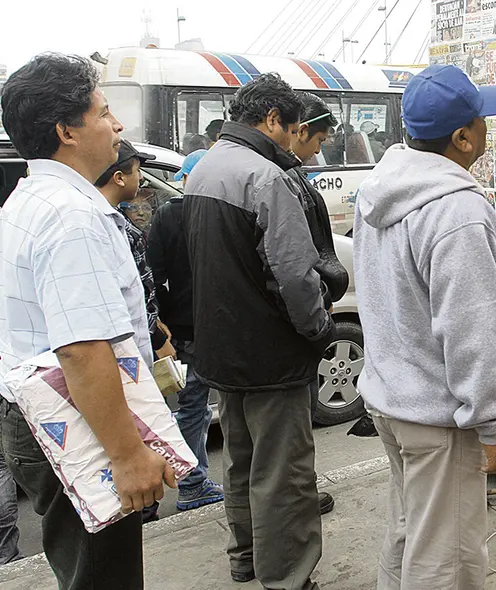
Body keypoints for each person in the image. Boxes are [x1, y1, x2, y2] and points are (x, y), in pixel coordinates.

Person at [0, 53, 175, 588]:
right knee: (104, 577)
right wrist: (126, 455)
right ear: (65, 131)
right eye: (103, 112)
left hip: (50, 420)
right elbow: (82, 348)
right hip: (78, 427)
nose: (117, 124)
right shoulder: (72, 216)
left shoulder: (30, 198)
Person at [352, 64, 496, 590]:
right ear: (464, 137)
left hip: (392, 400)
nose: (487, 127)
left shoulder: (383, 185)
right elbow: (473, 329)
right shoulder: (456, 211)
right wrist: (495, 423)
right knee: (446, 560)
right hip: (436, 415)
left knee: (409, 532)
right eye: (480, 119)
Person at [183, 73, 335, 589]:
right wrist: (318, 329)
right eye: (293, 130)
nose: (294, 142)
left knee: (242, 464)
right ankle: (288, 576)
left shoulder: (204, 168)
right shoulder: (266, 178)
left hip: (222, 349)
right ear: (272, 120)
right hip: (270, 352)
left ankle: (245, 556)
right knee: (285, 474)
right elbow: (295, 274)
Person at [145, 146, 226, 519]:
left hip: (180, 330)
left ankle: (186, 483)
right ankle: (195, 484)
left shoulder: (168, 214)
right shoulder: (224, 212)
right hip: (222, 326)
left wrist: (160, 322)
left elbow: (153, 274)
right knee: (225, 402)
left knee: (187, 407)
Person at [286, 93, 350, 517]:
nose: (318, 151)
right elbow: (296, 269)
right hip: (285, 337)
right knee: (288, 440)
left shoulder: (216, 172)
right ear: (299, 129)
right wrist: (319, 326)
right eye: (318, 140)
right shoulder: (280, 182)